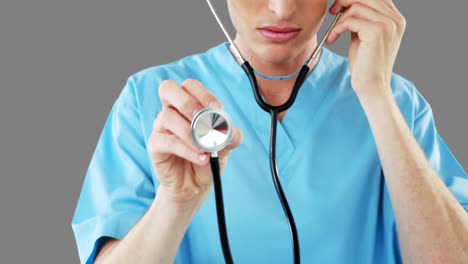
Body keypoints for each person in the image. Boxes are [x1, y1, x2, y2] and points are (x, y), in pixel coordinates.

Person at [72, 0, 468, 263]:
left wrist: (376, 95)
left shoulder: (397, 102)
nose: (281, 9)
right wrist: (173, 205)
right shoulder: (152, 99)